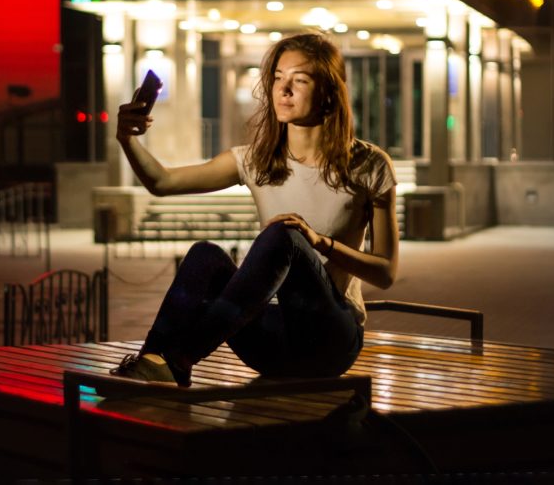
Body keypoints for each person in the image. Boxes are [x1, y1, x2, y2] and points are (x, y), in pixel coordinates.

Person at [112, 32, 399, 387]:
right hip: (270, 342)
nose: (284, 89)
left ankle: (181, 357)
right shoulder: (256, 160)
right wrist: (127, 139)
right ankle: (153, 362)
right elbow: (162, 183)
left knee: (286, 236)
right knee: (205, 256)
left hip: (329, 339)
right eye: (278, 77)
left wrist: (319, 243)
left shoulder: (369, 165)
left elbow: (386, 273)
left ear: (328, 92)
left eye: (300, 80)